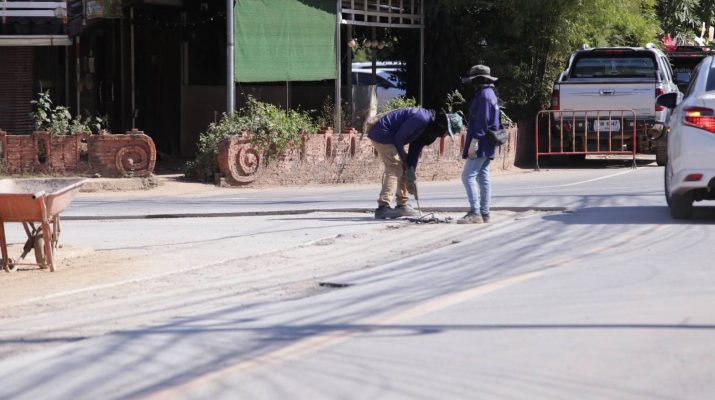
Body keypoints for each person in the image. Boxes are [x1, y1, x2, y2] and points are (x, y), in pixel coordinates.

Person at [367, 107, 464, 219]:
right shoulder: (421, 118)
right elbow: (399, 138)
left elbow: (414, 151)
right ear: (443, 125)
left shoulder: (427, 130)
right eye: (447, 133)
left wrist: (411, 173)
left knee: (404, 167)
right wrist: (403, 159)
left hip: (391, 137)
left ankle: (402, 205)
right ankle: (383, 207)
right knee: (395, 167)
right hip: (383, 133)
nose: (444, 136)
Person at [458, 65, 501, 224]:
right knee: (483, 177)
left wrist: (474, 142)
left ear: (479, 80)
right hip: (488, 142)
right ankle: (484, 213)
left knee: (467, 176)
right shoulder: (491, 93)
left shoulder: (483, 96)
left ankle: (475, 212)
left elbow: (482, 122)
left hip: (481, 141)